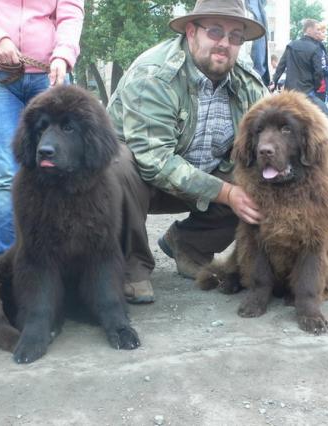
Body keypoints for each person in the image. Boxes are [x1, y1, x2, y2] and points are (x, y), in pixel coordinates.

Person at [107, 0, 267, 303]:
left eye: (235, 37)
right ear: (191, 31)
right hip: (140, 182)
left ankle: (188, 244)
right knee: (115, 163)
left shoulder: (248, 83)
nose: (225, 44)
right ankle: (131, 266)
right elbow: (154, 161)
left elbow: (268, 137)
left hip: (202, 176)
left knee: (261, 179)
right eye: (216, 31)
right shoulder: (154, 75)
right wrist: (227, 193)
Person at [0, 0, 85, 256]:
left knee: (63, 170)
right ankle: (11, 262)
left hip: (50, 74)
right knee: (5, 176)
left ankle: (63, 257)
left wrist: (63, 54)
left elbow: (70, 14)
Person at [270, 18, 328, 117]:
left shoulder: (291, 45)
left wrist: (274, 82)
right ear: (309, 30)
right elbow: (318, 72)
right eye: (317, 30)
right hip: (307, 92)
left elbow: (281, 66)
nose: (319, 32)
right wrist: (316, 86)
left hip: (289, 93)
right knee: (312, 118)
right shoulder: (315, 49)